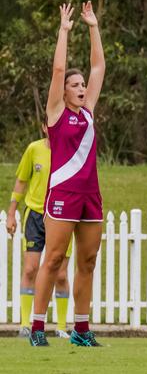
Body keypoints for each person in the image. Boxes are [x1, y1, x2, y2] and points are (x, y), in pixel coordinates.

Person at [29, 1, 105, 347]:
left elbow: (98, 66)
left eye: (81, 85)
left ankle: (81, 329)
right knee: (54, 259)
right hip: (62, 194)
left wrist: (92, 26)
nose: (80, 87)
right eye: (74, 85)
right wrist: (64, 30)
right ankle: (37, 327)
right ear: (64, 91)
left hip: (91, 195)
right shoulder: (57, 111)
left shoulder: (88, 111)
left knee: (87, 261)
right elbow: (58, 70)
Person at [6, 124, 72, 338]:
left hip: (61, 216)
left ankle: (61, 327)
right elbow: (21, 182)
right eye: (52, 125)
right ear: (45, 127)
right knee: (30, 270)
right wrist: (10, 214)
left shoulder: (71, 151)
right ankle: (26, 324)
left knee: (61, 274)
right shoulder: (33, 149)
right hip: (35, 215)